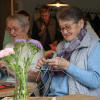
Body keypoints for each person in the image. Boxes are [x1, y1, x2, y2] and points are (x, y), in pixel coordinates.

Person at [37, 6, 100, 97]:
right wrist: (44, 68)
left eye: (68, 27)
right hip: (53, 96)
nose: (65, 32)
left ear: (81, 23)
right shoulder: (61, 46)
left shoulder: (94, 46)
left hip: (76, 98)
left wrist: (67, 66)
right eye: (61, 28)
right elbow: (50, 82)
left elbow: (95, 81)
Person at [0, 14, 43, 84]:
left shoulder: (35, 46)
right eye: (9, 29)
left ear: (26, 29)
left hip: (26, 90)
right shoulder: (8, 46)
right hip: (6, 87)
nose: (11, 32)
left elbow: (37, 77)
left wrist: (10, 70)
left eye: (15, 29)